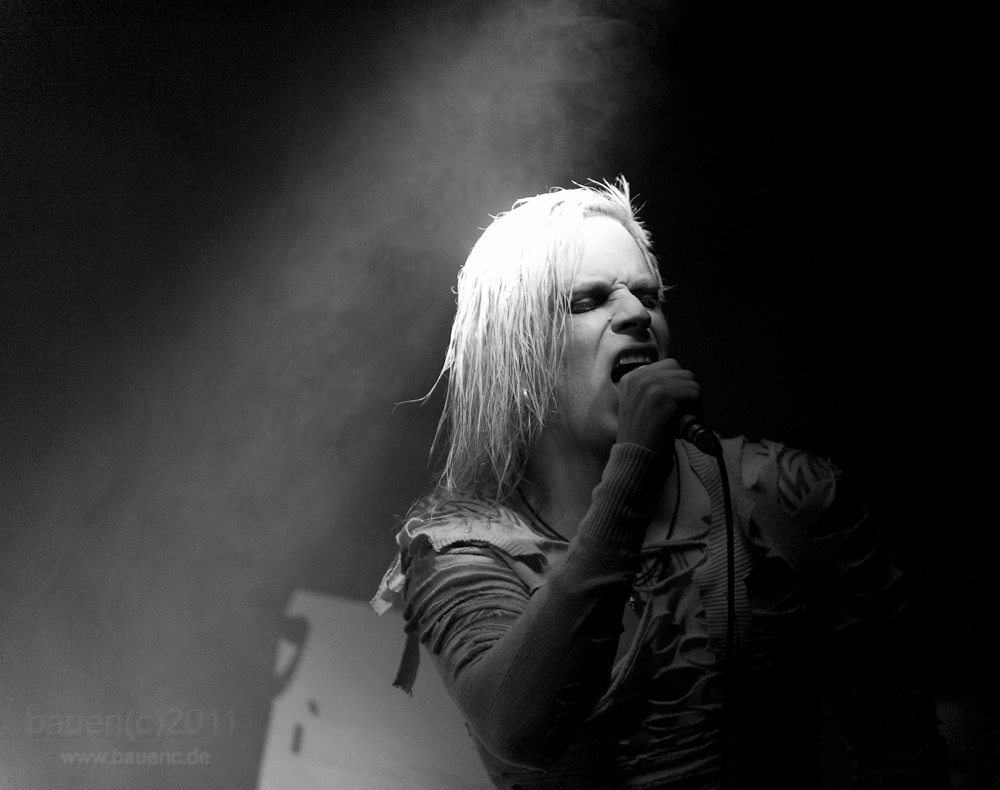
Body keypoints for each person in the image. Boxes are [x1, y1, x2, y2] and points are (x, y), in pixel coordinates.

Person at [371, 178, 948, 789]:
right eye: (588, 301)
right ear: (516, 353)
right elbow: (521, 731)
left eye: (646, 293)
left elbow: (904, 746)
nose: (636, 314)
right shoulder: (461, 550)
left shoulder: (785, 493)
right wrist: (634, 465)